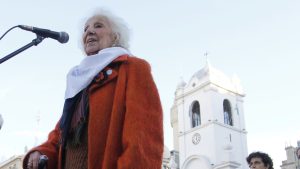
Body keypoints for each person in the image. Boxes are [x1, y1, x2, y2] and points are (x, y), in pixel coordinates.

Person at [23, 8, 164, 169]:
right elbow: (59, 136)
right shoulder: (78, 82)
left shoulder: (132, 68)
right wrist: (41, 153)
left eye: (98, 26)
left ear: (115, 36)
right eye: (86, 29)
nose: (89, 31)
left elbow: (143, 142)